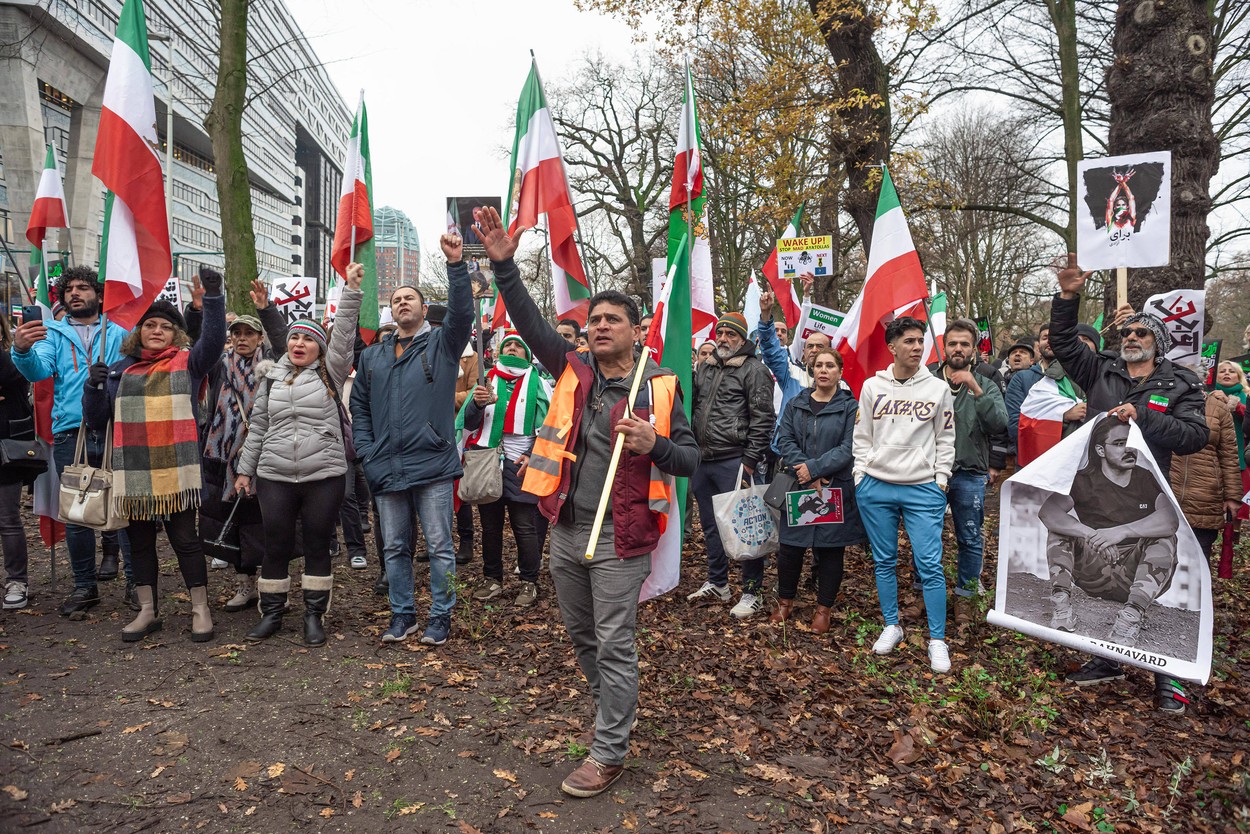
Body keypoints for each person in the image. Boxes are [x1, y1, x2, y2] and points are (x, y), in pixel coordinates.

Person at [475, 204, 699, 798]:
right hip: (568, 530)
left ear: (636, 330)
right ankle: (611, 716)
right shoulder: (572, 369)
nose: (599, 326)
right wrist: (504, 267)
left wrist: (657, 444)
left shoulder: (660, 387)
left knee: (615, 643)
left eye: (612, 320)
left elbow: (691, 460)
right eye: (594, 319)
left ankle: (609, 751)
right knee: (583, 638)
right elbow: (530, 324)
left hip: (623, 539)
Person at [1049, 252, 1208, 711]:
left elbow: (1195, 436)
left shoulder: (1181, 384)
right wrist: (1067, 296)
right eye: (1127, 333)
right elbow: (1063, 342)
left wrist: (1144, 418)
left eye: (1142, 333)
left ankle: (1168, 678)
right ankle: (1106, 659)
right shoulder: (1100, 369)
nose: (1132, 338)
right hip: (1100, 496)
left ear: (1159, 343)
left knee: (1161, 582)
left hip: (1154, 496)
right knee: (1107, 580)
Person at [83, 273, 227, 642]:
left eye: (165, 326)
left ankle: (200, 609)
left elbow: (213, 342)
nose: (157, 330)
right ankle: (147, 611)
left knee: (186, 541)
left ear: (176, 334)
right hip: (133, 472)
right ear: (139, 332)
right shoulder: (119, 372)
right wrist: (93, 387)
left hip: (177, 472)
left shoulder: (188, 364)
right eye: (150, 325)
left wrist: (212, 298)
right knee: (140, 543)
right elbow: (97, 421)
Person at [351, 237, 473, 647]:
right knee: (394, 547)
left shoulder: (442, 344)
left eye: (410, 298)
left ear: (423, 309)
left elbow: (462, 313)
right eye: (396, 299)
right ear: (391, 311)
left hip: (432, 463)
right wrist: (367, 450)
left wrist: (455, 265)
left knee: (439, 545)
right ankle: (402, 614)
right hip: (385, 464)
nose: (402, 302)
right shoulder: (373, 356)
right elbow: (359, 406)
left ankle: (441, 616)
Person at [235, 267, 362, 646]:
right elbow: (258, 426)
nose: (299, 343)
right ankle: (272, 614)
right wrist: (245, 471)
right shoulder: (272, 377)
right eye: (294, 338)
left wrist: (350, 291)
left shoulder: (330, 374)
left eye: (308, 339)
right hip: (274, 475)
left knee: (317, 543)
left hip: (323, 475)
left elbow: (343, 335)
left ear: (320, 348)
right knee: (275, 543)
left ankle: (313, 615)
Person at [11, 266, 130, 616]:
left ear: (99, 295)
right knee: (77, 514)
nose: (75, 293)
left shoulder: (121, 331)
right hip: (70, 432)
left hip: (117, 429)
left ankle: (137, 585)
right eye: (69, 289)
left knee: (125, 509)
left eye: (83, 287)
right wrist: (22, 351)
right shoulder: (53, 333)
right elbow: (38, 371)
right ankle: (84, 586)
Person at [853, 316, 956, 674]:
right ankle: (891, 625)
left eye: (920, 341)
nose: (917, 347)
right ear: (892, 347)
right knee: (884, 561)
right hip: (876, 485)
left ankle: (937, 639)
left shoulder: (938, 389)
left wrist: (940, 480)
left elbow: (946, 438)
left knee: (929, 564)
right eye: (909, 341)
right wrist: (860, 476)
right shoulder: (872, 386)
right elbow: (862, 436)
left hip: (923, 487)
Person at [1040, 419, 1180, 643]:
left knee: (1165, 538)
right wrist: (1091, 535)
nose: (1129, 449)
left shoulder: (1145, 478)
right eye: (1119, 443)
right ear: (1100, 450)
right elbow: (1048, 513)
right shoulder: (1083, 480)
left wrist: (1121, 531)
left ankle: (1130, 618)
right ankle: (1061, 605)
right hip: (1093, 570)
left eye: (1131, 443)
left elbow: (1170, 520)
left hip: (1134, 576)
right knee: (1060, 530)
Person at [197, 280, 288, 613]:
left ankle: (272, 586)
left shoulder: (276, 365)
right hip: (224, 457)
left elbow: (283, 340)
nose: (241, 338)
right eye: (236, 333)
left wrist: (266, 309)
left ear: (260, 338)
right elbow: (200, 345)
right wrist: (201, 309)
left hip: (266, 454)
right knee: (234, 521)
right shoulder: (219, 366)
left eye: (249, 333)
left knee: (267, 522)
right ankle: (244, 583)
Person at [686, 311, 776, 618]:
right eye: (720, 333)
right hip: (703, 459)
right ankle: (718, 582)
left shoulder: (755, 370)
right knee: (711, 526)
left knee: (746, 526)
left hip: (735, 460)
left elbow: (763, 418)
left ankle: (752, 591)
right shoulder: (706, 367)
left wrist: (750, 460)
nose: (723, 339)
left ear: (742, 338)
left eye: (731, 334)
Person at [771, 347, 864, 632]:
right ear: (812, 370)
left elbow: (849, 447)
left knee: (830, 550)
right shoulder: (796, 403)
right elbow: (785, 439)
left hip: (833, 488)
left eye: (830, 366)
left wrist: (816, 469)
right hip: (799, 486)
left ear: (840, 372)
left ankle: (823, 610)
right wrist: (806, 472)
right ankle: (785, 603)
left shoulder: (850, 407)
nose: (823, 370)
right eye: (819, 365)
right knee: (790, 548)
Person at [926, 318, 1007, 629]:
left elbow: (999, 423)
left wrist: (975, 388)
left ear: (974, 349)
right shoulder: (928, 379)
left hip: (969, 473)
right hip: (928, 473)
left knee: (970, 537)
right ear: (944, 347)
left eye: (964, 344)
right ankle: (923, 594)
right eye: (953, 343)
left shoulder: (986, 382)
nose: (958, 349)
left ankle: (966, 596)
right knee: (925, 536)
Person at [458, 332, 549, 607]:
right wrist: (477, 403)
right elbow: (468, 423)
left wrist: (533, 455)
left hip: (521, 464)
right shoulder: (486, 381)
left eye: (517, 346)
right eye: (507, 344)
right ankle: (492, 579)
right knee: (490, 526)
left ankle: (529, 582)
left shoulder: (540, 384)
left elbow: (549, 426)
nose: (511, 348)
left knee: (525, 526)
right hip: (488, 460)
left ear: (527, 355)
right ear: (499, 352)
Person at [1005, 322, 1097, 454]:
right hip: (1037, 459)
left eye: (1055, 337)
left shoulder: (1083, 376)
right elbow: (1016, 427)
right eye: (1045, 338)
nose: (1050, 341)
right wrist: (1063, 416)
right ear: (1038, 346)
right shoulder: (1021, 379)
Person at [1169, 390, 1242, 558]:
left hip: (1204, 497)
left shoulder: (1218, 407)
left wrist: (1232, 496)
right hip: (1166, 491)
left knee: (1199, 558)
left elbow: (1229, 455)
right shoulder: (1161, 398)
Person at [1, 315, 37, 610]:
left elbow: (15, 381)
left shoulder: (12, 359)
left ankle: (17, 581)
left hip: (5, 451)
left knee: (7, 519)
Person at [1213, 360, 1247, 520]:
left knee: (1236, 498)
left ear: (1239, 377)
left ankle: (1233, 533)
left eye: (1231, 371)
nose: (1227, 373)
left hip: (1237, 455)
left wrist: (1233, 404)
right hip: (1212, 451)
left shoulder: (1245, 396)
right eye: (1222, 371)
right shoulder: (1207, 393)